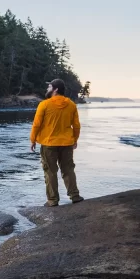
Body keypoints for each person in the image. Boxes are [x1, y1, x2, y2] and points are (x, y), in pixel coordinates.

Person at [30, 79, 84, 207]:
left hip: (49, 144)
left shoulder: (44, 105)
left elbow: (36, 124)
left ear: (56, 89)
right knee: (68, 170)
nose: (47, 88)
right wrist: (75, 140)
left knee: (50, 171)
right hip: (66, 143)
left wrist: (33, 140)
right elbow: (76, 126)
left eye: (49, 86)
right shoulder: (71, 105)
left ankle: (53, 200)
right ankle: (74, 196)